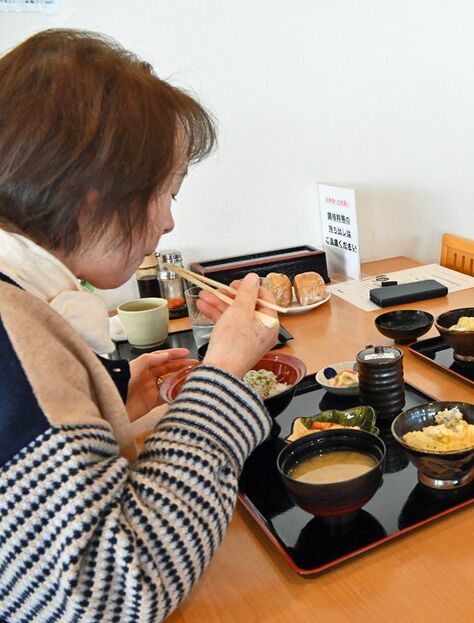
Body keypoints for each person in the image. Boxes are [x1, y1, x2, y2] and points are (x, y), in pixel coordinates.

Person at [0, 30, 281, 622]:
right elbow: (110, 595)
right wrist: (224, 375)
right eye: (167, 192)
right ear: (93, 194)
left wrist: (104, 413)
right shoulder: (11, 337)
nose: (170, 223)